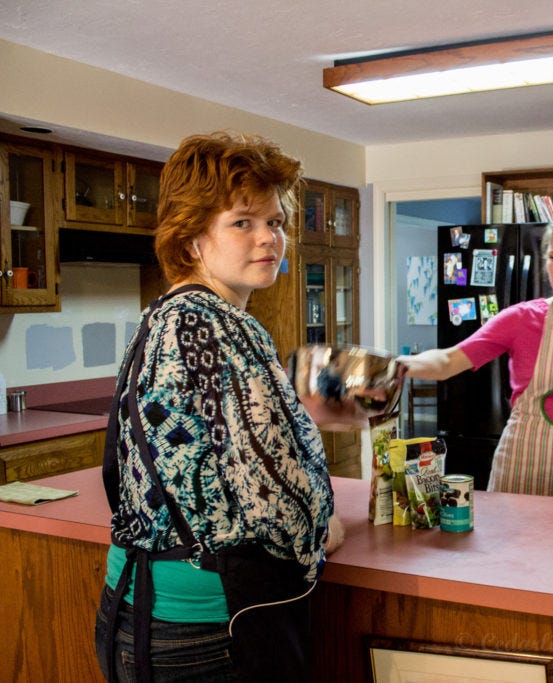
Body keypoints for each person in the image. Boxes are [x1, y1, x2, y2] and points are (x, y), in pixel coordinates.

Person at [95, 131, 358, 681]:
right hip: (208, 631)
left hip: (143, 613)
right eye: (243, 222)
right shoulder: (213, 323)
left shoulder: (163, 315)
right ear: (192, 239)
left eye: (276, 222)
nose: (269, 238)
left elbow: (211, 457)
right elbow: (278, 507)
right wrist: (322, 529)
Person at [398, 212, 553, 500]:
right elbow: (449, 361)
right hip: (525, 468)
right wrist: (398, 366)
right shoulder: (521, 319)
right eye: (552, 257)